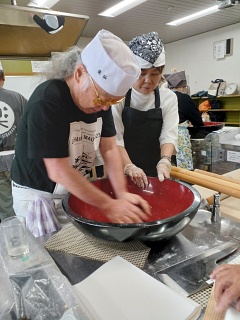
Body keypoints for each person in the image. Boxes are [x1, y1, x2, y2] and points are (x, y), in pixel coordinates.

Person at [11, 29, 151, 233]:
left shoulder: (100, 102)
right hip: (38, 197)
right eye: (102, 98)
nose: (105, 108)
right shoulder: (48, 99)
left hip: (72, 191)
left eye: (113, 101)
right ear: (79, 74)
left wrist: (121, 193)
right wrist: (109, 204)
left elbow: (110, 148)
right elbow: (57, 169)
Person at [111, 32, 178, 189]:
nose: (148, 81)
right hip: (124, 168)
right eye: (142, 74)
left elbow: (169, 134)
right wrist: (129, 167)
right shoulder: (117, 96)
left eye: (155, 74)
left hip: (158, 170)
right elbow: (116, 138)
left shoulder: (168, 98)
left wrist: (165, 160)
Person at [0, 66, 27, 221]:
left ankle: (13, 242)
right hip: (17, 159)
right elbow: (32, 126)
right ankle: (29, 239)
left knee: (5, 207)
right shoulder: (18, 98)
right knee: (23, 200)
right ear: (3, 76)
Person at [164, 70, 204, 170]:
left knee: (167, 166)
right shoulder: (184, 98)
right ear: (183, 87)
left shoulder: (162, 97)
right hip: (179, 136)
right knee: (182, 170)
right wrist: (195, 128)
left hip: (163, 136)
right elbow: (197, 120)